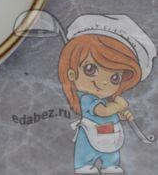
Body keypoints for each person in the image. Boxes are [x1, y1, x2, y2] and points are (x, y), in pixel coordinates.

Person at [58, 14, 156, 174]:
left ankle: (110, 165)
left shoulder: (106, 99)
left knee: (111, 152)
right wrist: (118, 106)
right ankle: (83, 165)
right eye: (91, 69)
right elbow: (102, 111)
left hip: (111, 133)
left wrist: (123, 115)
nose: (104, 82)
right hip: (91, 135)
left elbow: (111, 111)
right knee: (86, 153)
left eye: (114, 77)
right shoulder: (87, 98)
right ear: (71, 74)